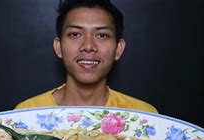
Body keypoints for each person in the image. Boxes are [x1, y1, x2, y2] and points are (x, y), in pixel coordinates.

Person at [15, 0, 157, 113]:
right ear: (58, 47)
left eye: (102, 35)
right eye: (75, 34)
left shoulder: (143, 115)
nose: (88, 46)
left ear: (118, 49)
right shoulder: (26, 113)